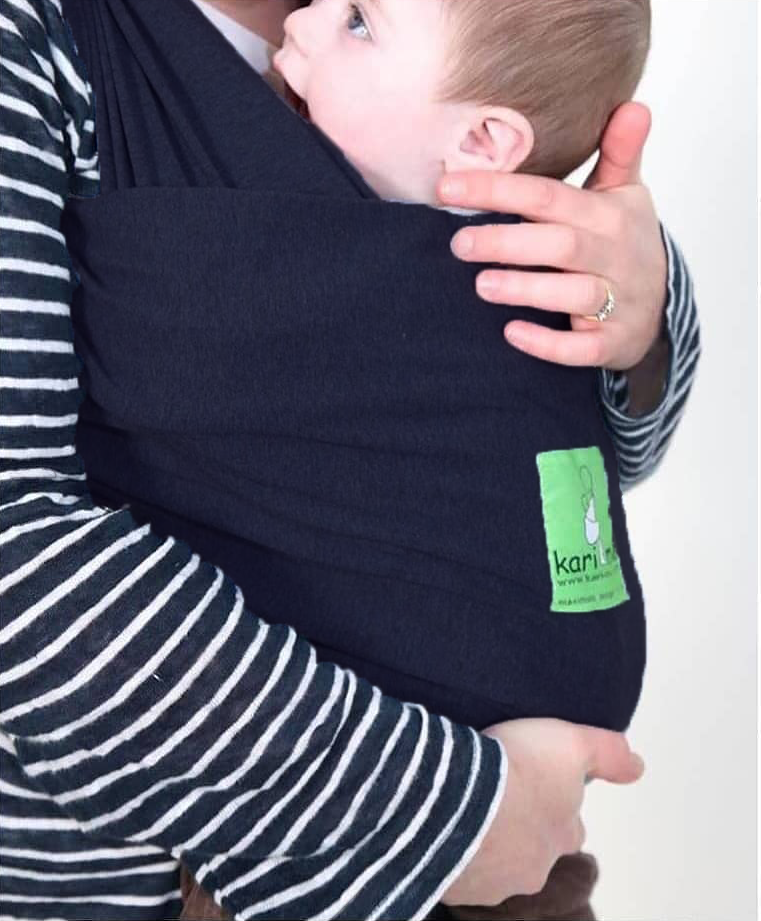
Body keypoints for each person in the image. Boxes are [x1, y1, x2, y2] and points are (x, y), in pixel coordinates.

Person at [0, 3, 699, 921]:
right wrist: (448, 811)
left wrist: (636, 314)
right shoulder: (46, 44)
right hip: (134, 873)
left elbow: (565, 467)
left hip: (524, 849)